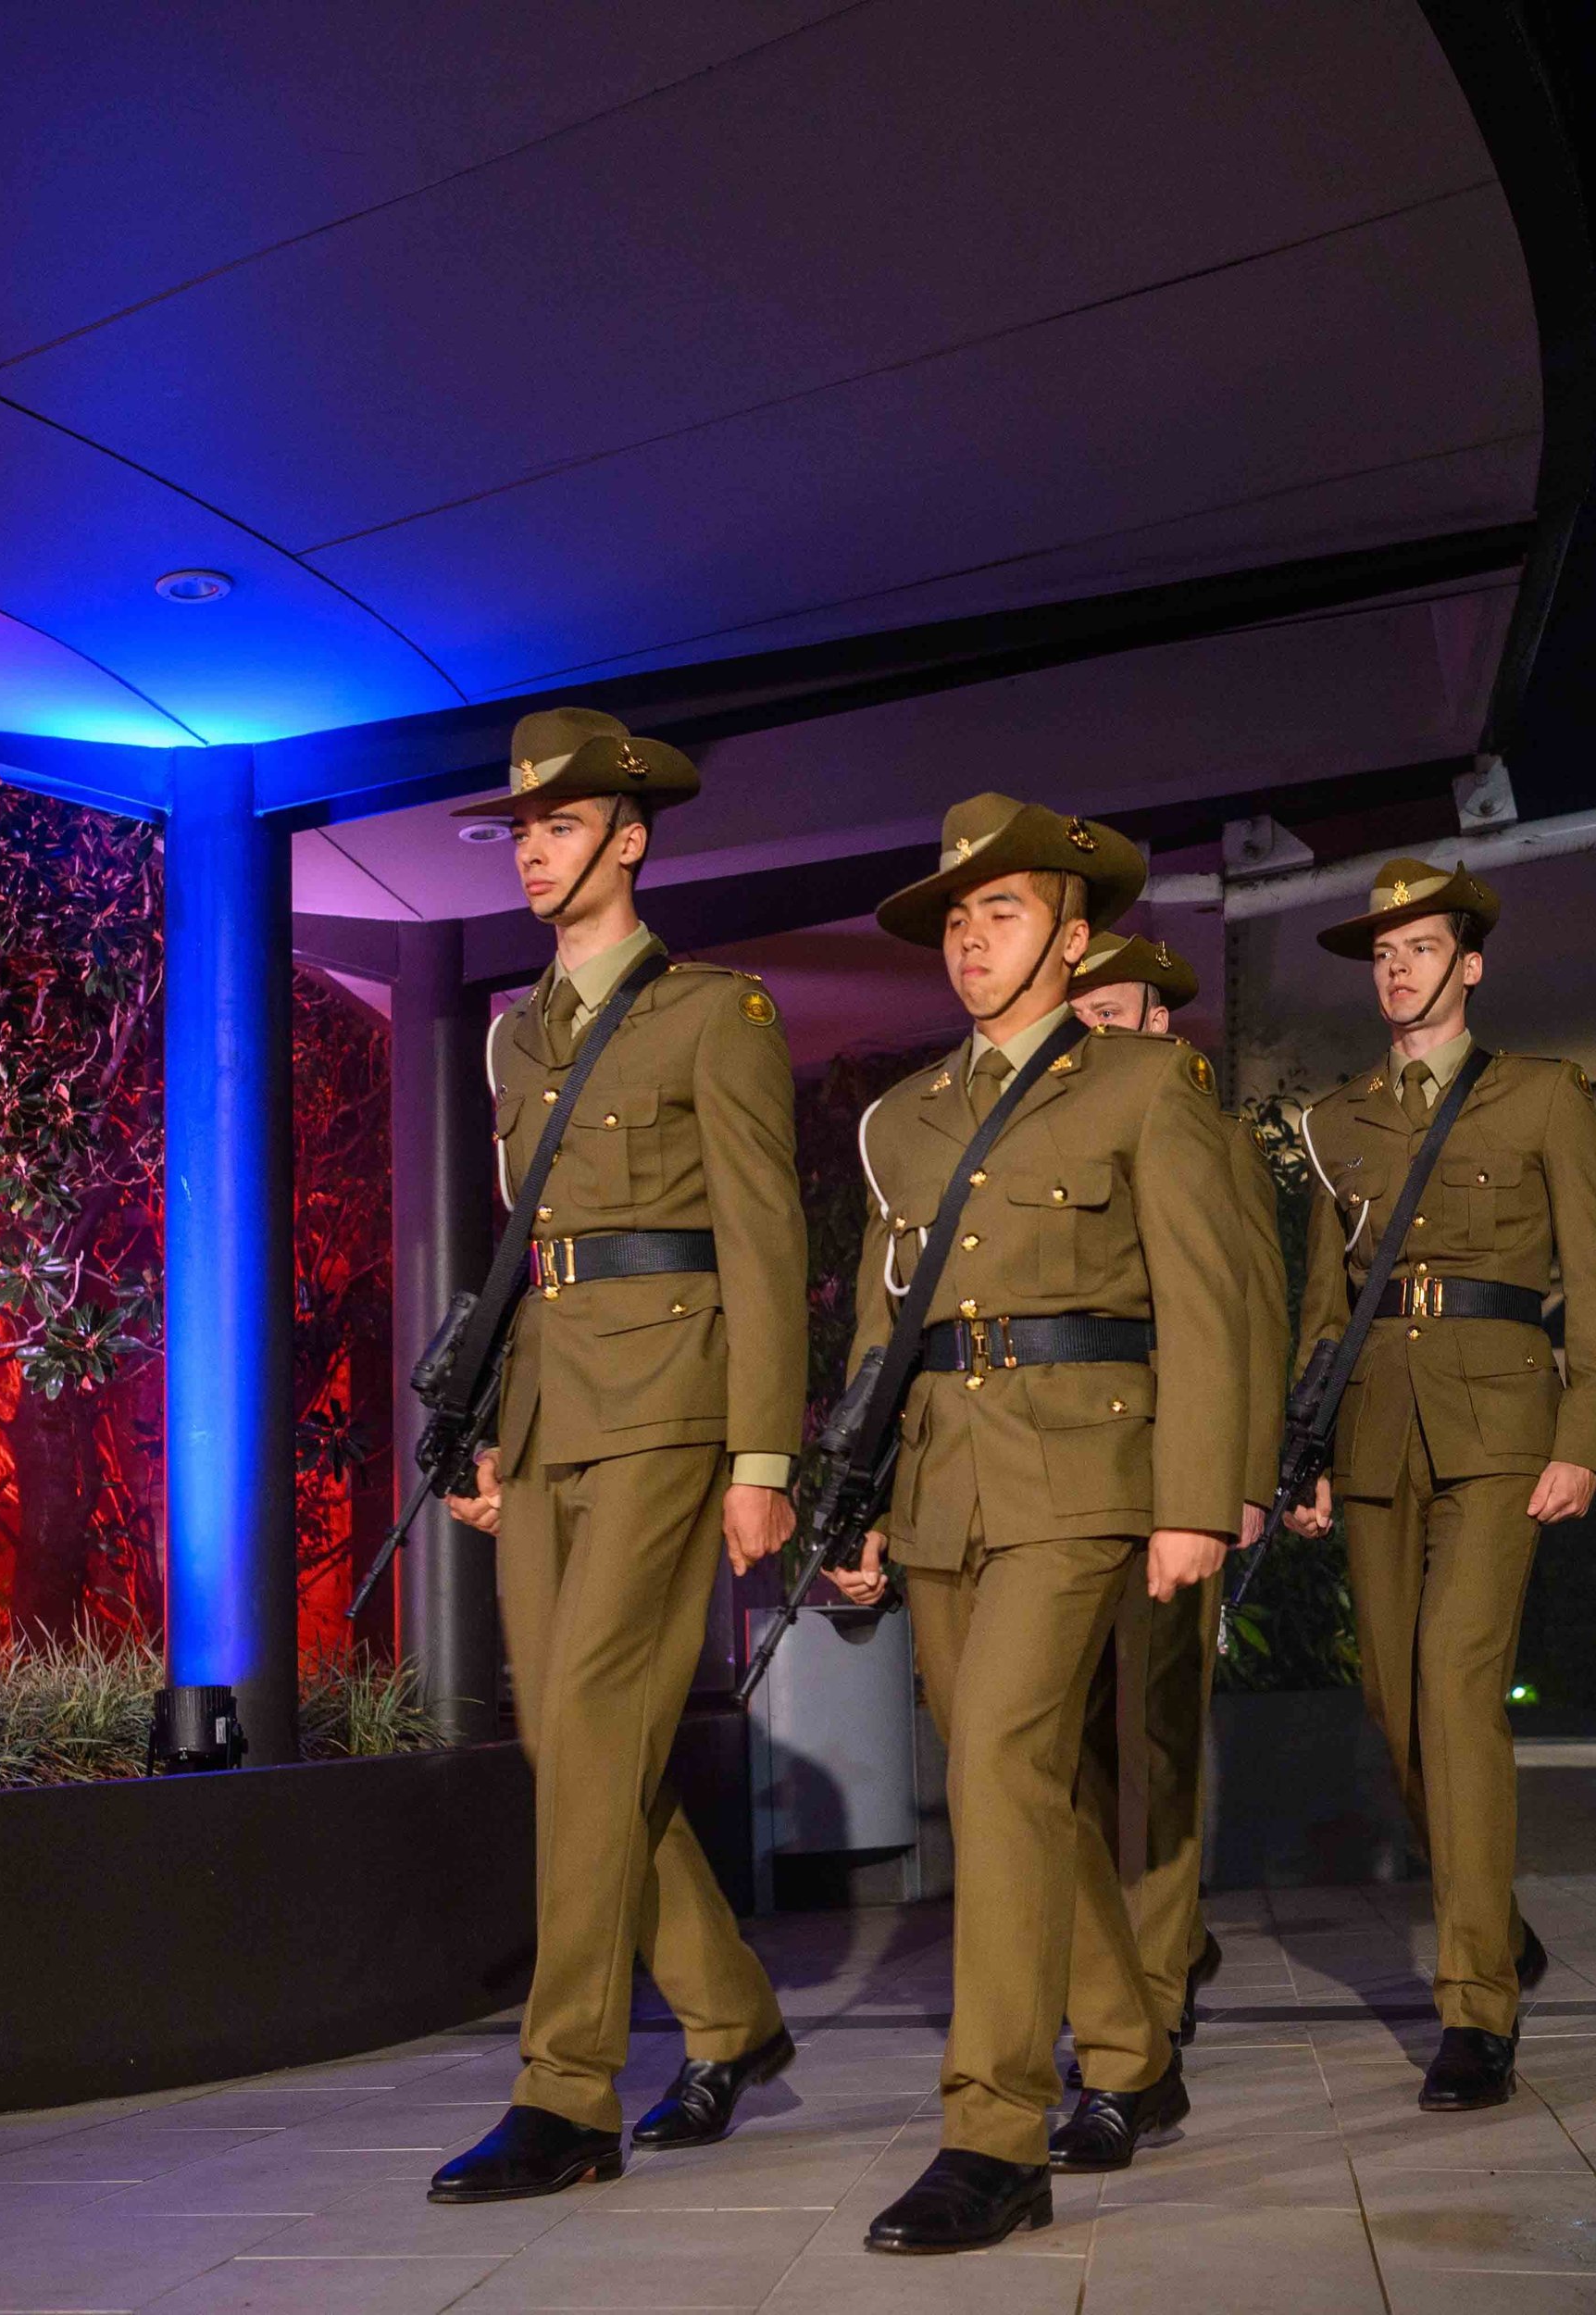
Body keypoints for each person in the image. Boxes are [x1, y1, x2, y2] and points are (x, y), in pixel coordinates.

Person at [824, 795, 1249, 2253]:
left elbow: (1206, 1304)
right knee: (1021, 1781)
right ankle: (1134, 2057)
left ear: (1075, 939)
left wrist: (1199, 1500)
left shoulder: (1145, 1087)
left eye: (999, 913)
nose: (969, 939)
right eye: (954, 917)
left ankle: (992, 2135)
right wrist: (857, 1495)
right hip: (942, 1473)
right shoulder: (906, 1115)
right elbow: (882, 1328)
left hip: (1087, 1472)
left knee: (1001, 1751)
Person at [430, 708, 806, 2202]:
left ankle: (567, 2092)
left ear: (630, 839)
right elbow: (523, 1249)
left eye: (561, 825)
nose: (532, 847)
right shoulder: (516, 1033)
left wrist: (763, 1454)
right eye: (519, 828)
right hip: (544, 1412)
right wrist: (484, 1426)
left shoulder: (718, 1014)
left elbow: (766, 1245)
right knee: (566, 1744)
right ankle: (730, 2016)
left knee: (592, 1721)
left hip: (669, 1403)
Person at [1284, 858, 1596, 2111]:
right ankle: (1500, 1921)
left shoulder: (1545, 1097)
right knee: (1393, 1701)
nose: (1398, 969)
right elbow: (1328, 1306)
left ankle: (1477, 2003)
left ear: (1469, 963)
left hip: (1500, 1425)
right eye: (1383, 954)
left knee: (1455, 1687)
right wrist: (1304, 1452)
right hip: (1375, 1423)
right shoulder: (1335, 1123)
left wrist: (1588, 1433)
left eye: (1421, 948)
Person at [1066, 930, 1290, 2050]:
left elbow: (1246, 1306)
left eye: (1119, 1011)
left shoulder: (1199, 1125)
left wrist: (1238, 1479)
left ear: (1163, 1024)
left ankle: (1152, 1992)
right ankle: (1147, 1950)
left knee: (1156, 1735)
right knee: (1080, 1743)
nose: (1100, 1026)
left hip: (1174, 1471)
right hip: (1073, 1472)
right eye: (1086, 1010)